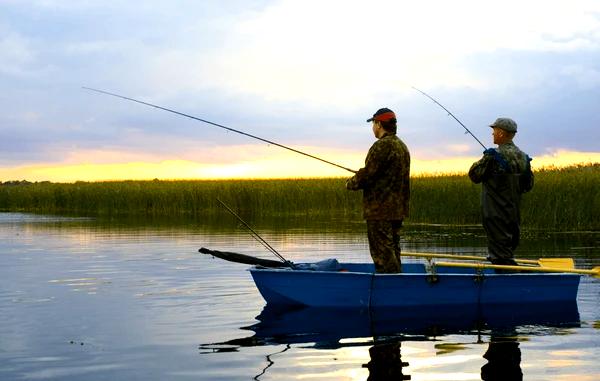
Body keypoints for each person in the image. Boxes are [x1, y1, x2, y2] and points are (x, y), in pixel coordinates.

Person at [346, 108, 410, 273]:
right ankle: (398, 285)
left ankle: (390, 289)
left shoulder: (381, 146)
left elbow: (368, 175)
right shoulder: (402, 147)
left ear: (379, 124)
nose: (373, 128)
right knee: (393, 251)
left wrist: (351, 182)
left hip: (380, 211)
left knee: (383, 255)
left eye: (373, 123)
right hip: (397, 210)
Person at [468, 117, 534, 266]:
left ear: (502, 133)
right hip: (513, 213)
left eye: (494, 131)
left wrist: (485, 158)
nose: (492, 134)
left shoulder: (492, 156)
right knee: (507, 250)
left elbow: (474, 175)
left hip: (494, 213)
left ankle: (506, 281)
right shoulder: (524, 157)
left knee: (501, 258)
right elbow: (528, 185)